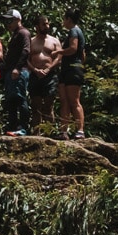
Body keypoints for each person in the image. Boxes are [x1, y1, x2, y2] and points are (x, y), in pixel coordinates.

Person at [57, 9, 87, 139]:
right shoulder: (73, 32)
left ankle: (80, 130)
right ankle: (63, 131)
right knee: (64, 100)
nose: (63, 21)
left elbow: (74, 49)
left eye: (64, 19)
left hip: (73, 69)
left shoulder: (74, 31)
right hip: (67, 69)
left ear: (69, 19)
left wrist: (59, 52)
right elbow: (83, 54)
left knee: (74, 101)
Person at [1, 9, 31, 134]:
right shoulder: (15, 34)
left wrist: (17, 68)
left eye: (11, 20)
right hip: (11, 71)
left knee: (20, 98)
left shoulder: (23, 33)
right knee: (11, 100)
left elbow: (26, 51)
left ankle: (23, 128)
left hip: (19, 71)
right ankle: (12, 126)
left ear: (18, 20)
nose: (8, 23)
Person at [27, 16, 60, 129]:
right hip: (35, 75)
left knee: (48, 105)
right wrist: (35, 70)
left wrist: (48, 68)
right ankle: (36, 132)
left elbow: (59, 57)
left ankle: (49, 132)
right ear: (37, 27)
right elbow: (25, 59)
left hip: (49, 76)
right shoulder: (31, 41)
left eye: (47, 24)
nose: (47, 26)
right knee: (36, 106)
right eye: (44, 24)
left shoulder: (54, 41)